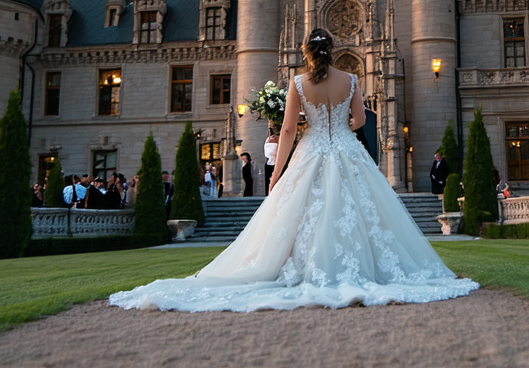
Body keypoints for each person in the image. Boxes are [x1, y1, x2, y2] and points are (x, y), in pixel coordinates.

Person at [110, 27, 477, 311]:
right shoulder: (350, 80)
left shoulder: (299, 83)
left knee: (300, 212)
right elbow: (361, 120)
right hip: (346, 150)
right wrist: (342, 126)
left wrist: (277, 171)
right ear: (331, 50)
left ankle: (303, 266)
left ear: (306, 53)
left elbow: (287, 131)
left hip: (311, 149)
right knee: (362, 210)